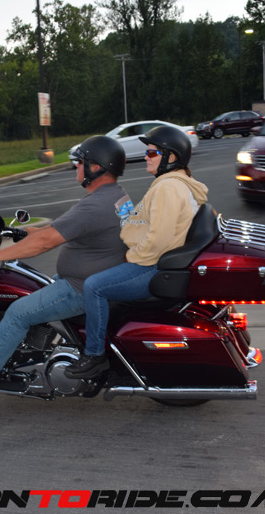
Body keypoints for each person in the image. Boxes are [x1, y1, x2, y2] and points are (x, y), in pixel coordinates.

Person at [0, 135, 130, 390]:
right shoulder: (115, 196)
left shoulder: (94, 205)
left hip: (79, 287)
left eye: (81, 162)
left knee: (18, 312)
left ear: (96, 167)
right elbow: (62, 229)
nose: (77, 166)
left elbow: (45, 243)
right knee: (31, 289)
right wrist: (24, 232)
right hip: (94, 279)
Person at [65, 125, 208, 378]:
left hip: (153, 264)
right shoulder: (177, 183)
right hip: (161, 261)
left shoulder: (167, 188)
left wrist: (130, 257)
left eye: (152, 153)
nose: (145, 157)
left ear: (171, 157)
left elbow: (159, 240)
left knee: (94, 286)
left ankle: (94, 355)